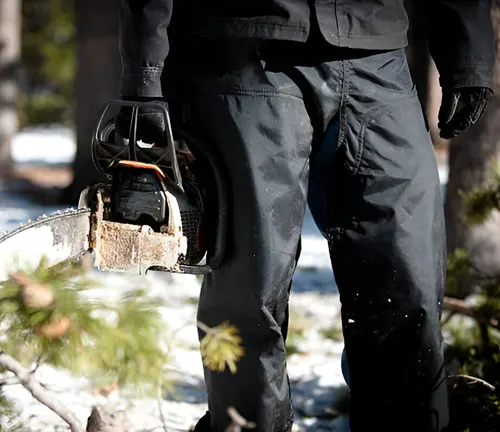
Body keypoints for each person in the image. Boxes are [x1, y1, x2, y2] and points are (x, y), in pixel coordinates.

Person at [116, 1, 494, 431]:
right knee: (250, 285)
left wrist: (468, 53)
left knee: (408, 278)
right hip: (243, 52)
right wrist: (143, 76)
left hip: (377, 55)